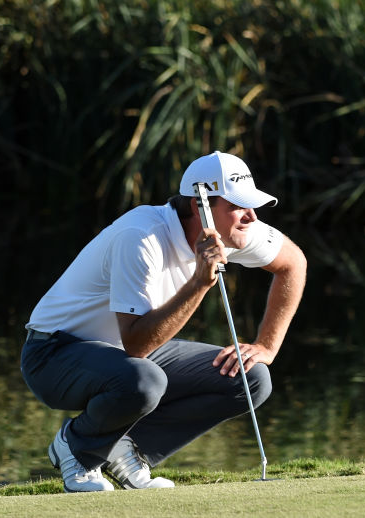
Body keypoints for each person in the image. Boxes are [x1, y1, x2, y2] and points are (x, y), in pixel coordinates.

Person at [20, 150, 307, 492]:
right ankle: (78, 448)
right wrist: (200, 282)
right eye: (237, 206)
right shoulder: (141, 237)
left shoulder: (236, 231)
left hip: (124, 357)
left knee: (251, 377)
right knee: (144, 380)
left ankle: (128, 449)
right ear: (201, 207)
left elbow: (293, 263)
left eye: (251, 206)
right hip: (53, 354)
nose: (251, 216)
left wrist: (266, 345)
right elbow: (138, 344)